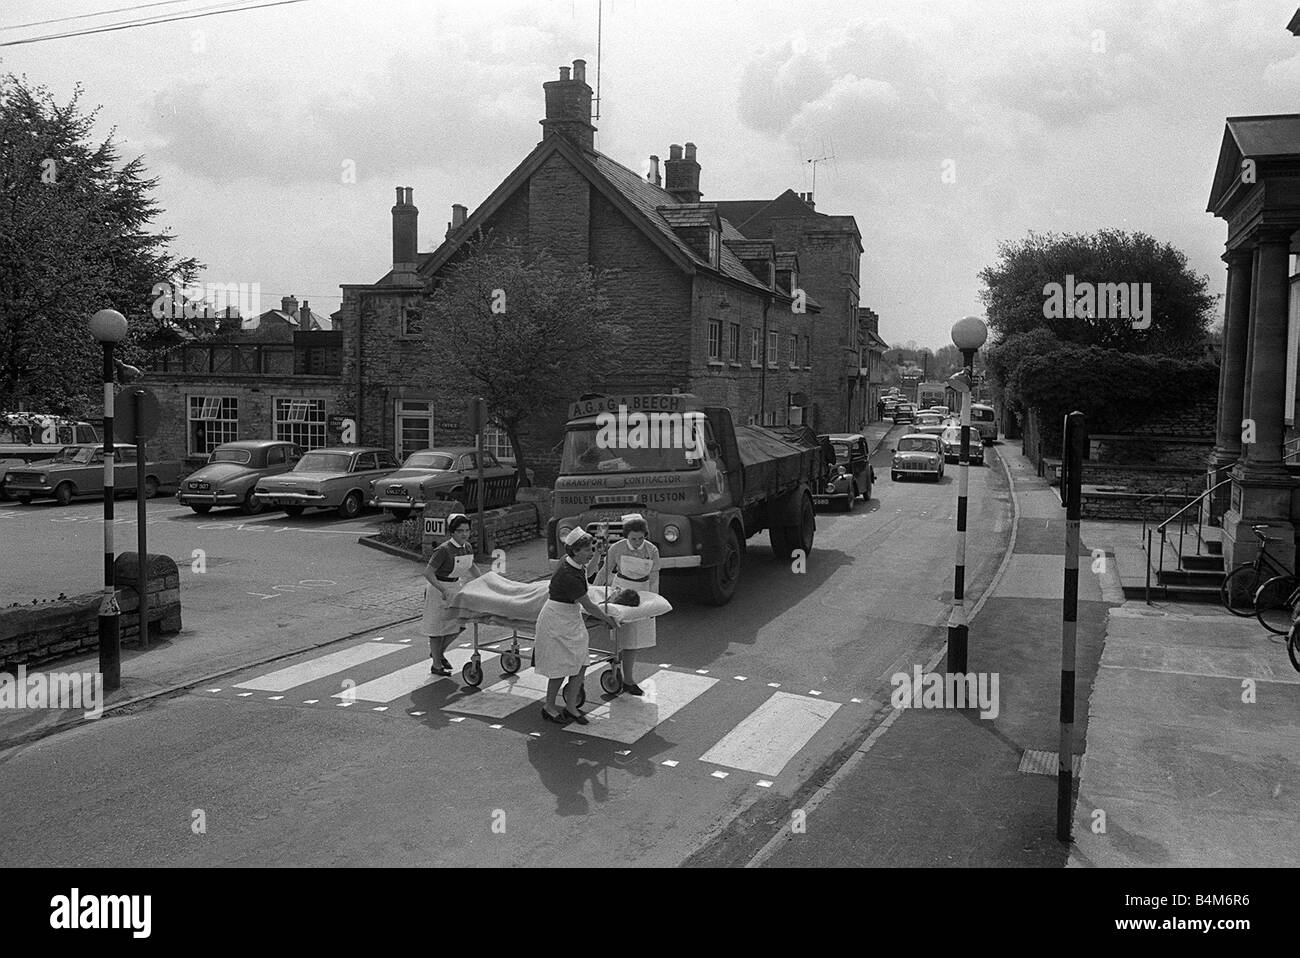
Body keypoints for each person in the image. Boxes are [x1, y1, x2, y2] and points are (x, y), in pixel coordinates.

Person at [534, 527, 616, 724]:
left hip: (570, 617)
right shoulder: (567, 574)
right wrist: (607, 619)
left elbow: (591, 569)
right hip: (556, 620)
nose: (589, 553)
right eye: (587, 550)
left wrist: (598, 553)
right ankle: (549, 706)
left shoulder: (574, 564)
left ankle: (571, 707)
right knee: (560, 667)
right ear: (576, 551)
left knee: (580, 663)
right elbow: (589, 606)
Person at [595, 513, 660, 696]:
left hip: (643, 592)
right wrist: (593, 591)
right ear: (626, 537)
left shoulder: (652, 550)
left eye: (641, 538)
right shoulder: (617, 548)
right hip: (622, 592)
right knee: (624, 636)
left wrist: (654, 601)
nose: (638, 542)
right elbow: (604, 570)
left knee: (636, 639)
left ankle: (626, 675)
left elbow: (654, 577)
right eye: (634, 539)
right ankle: (626, 677)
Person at [421, 514, 481, 675]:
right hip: (438, 589)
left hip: (455, 585)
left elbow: (471, 566)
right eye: (460, 531)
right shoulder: (443, 550)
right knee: (437, 628)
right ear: (452, 532)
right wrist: (443, 589)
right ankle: (436, 665)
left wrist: (484, 581)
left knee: (459, 625)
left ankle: (438, 654)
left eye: (467, 530)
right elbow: (428, 572)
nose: (464, 534)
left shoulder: (467, 547)